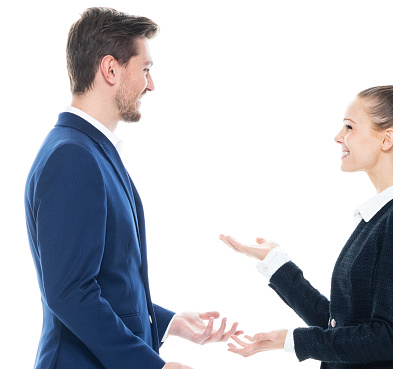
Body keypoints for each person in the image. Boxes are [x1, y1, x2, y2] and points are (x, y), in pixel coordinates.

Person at [25, 7, 240, 369]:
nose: (150, 84)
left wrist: (166, 322)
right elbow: (70, 293)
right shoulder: (72, 157)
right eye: (145, 69)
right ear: (110, 69)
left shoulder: (88, 149)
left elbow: (104, 282)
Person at [220, 83, 393, 368]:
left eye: (350, 127)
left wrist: (291, 340)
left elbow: (390, 338)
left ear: (387, 139)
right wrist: (275, 262)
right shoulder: (383, 216)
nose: (339, 137)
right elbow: (341, 325)